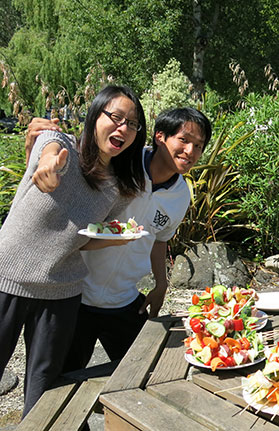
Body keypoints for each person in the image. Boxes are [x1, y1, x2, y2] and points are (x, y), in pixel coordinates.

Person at [26, 107, 211, 372]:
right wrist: (44, 145)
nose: (190, 152)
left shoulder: (180, 194)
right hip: (76, 297)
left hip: (123, 301)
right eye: (183, 140)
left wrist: (161, 284)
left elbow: (160, 239)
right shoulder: (123, 164)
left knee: (145, 372)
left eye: (198, 145)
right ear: (160, 136)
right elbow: (73, 162)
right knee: (57, 381)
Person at [0, 85, 147, 416]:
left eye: (133, 124)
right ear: (95, 116)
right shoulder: (59, 146)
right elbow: (48, 149)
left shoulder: (118, 188)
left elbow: (85, 236)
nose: (124, 128)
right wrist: (48, 163)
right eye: (116, 117)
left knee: (44, 391)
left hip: (62, 291)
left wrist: (115, 239)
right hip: (6, 278)